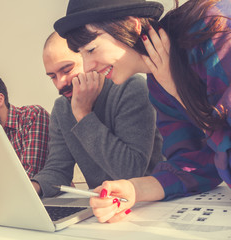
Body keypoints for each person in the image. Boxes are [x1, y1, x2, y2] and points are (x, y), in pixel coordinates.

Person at [54, 0, 231, 223]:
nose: (87, 66)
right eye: (81, 54)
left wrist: (180, 94)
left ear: (131, 24)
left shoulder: (215, 30)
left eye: (91, 49)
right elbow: (193, 164)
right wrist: (133, 189)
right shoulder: (158, 84)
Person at [31, 31, 164, 197]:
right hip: (101, 203)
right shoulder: (61, 109)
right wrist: (32, 187)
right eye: (52, 76)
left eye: (67, 70)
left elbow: (130, 172)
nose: (60, 83)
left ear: (88, 61)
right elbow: (58, 170)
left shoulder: (131, 88)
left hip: (148, 202)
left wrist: (83, 115)